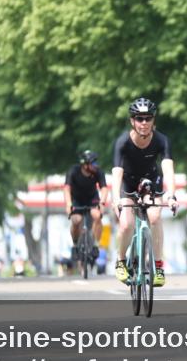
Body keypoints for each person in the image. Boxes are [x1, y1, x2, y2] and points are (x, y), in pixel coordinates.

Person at [112, 98, 177, 287]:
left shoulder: (162, 140)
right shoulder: (122, 142)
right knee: (126, 224)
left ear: (153, 121)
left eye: (148, 118)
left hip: (150, 180)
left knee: (155, 217)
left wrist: (171, 195)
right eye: (139, 118)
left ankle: (158, 266)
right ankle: (121, 261)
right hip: (128, 182)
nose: (144, 123)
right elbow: (117, 173)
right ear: (132, 121)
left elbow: (168, 169)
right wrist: (116, 198)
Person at [63, 150, 107, 270]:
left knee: (97, 216)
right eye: (92, 163)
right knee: (76, 220)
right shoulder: (73, 171)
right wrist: (68, 204)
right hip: (76, 199)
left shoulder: (98, 172)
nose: (95, 166)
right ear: (85, 164)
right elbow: (66, 189)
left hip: (92, 198)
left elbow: (104, 188)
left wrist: (102, 202)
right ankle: (76, 244)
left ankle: (95, 245)